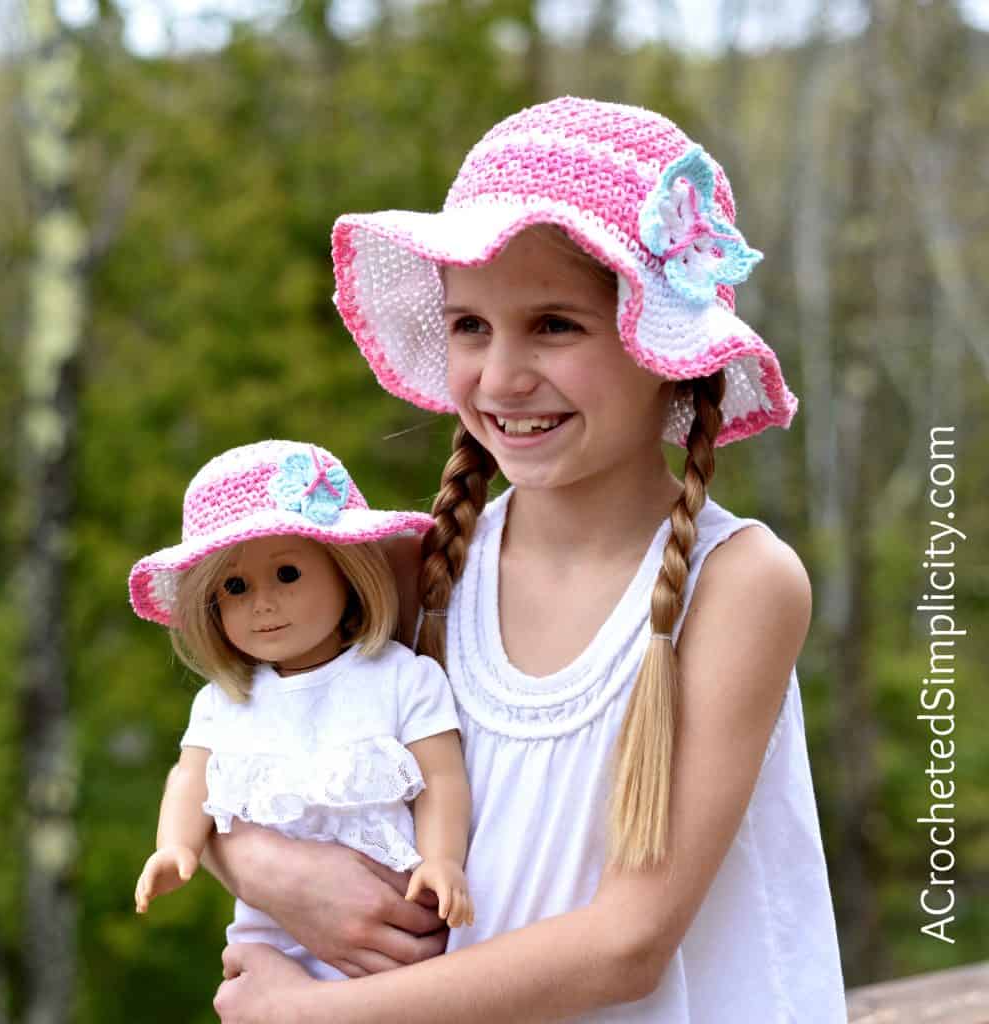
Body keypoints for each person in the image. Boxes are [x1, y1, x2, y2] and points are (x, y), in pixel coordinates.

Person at [209, 97, 849, 1021]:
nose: (501, 376)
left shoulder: (740, 584)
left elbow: (628, 944)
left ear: (662, 351)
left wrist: (304, 1014)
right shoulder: (417, 576)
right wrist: (269, 866)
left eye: (554, 324)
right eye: (470, 326)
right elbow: (226, 745)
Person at [128, 440, 475, 982]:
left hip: (393, 932)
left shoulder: (400, 678)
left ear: (346, 572)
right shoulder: (224, 703)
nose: (261, 603)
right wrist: (175, 846)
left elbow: (441, 779)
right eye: (235, 587)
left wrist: (442, 858)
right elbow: (190, 779)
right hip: (271, 945)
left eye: (287, 574)